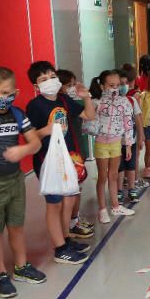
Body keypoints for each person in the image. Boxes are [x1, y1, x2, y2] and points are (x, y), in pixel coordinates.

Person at [0, 67, 46, 298]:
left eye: (5, 92)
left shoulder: (17, 114)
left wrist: (23, 149)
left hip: (15, 180)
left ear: (14, 92)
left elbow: (35, 143)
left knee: (16, 226)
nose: (0, 98)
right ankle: (0, 274)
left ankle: (21, 266)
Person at [26, 61, 95, 266]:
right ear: (36, 86)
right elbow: (29, 137)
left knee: (69, 201)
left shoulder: (64, 100)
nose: (49, 81)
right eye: (43, 79)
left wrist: (87, 97)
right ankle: (60, 249)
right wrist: (44, 131)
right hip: (47, 161)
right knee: (54, 204)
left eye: (51, 76)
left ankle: (65, 240)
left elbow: (89, 115)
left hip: (68, 159)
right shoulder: (35, 106)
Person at [93, 69, 136, 223]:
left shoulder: (124, 102)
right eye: (111, 85)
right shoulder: (97, 102)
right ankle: (102, 209)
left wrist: (129, 145)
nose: (115, 88)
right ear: (102, 86)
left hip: (117, 143)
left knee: (113, 176)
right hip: (101, 143)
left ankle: (115, 206)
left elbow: (128, 124)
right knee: (102, 177)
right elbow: (89, 125)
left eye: (117, 85)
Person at [59, 68, 95, 243]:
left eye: (73, 84)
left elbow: (90, 115)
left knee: (77, 188)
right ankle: (65, 231)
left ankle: (74, 221)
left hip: (76, 151)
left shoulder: (73, 103)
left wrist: (85, 96)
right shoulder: (58, 104)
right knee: (67, 194)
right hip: (62, 154)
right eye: (68, 85)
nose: (72, 88)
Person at [119, 66, 146, 204]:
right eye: (119, 84)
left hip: (131, 140)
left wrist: (141, 137)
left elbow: (138, 119)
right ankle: (118, 191)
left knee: (131, 165)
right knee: (119, 167)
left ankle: (132, 188)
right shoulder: (111, 102)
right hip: (115, 142)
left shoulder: (131, 100)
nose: (123, 87)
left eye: (124, 84)